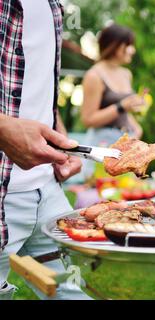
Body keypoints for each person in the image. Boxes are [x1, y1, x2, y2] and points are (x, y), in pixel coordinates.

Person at [0, 0, 90, 299]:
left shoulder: (52, 4)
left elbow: (36, 85)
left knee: (83, 291)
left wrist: (59, 135)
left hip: (47, 190)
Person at [81, 23, 145, 178]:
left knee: (126, 197)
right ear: (115, 46)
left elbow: (124, 112)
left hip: (124, 147)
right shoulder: (94, 75)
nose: (133, 50)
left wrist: (136, 129)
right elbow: (88, 119)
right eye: (128, 45)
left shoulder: (126, 74)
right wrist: (121, 106)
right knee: (105, 198)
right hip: (103, 147)